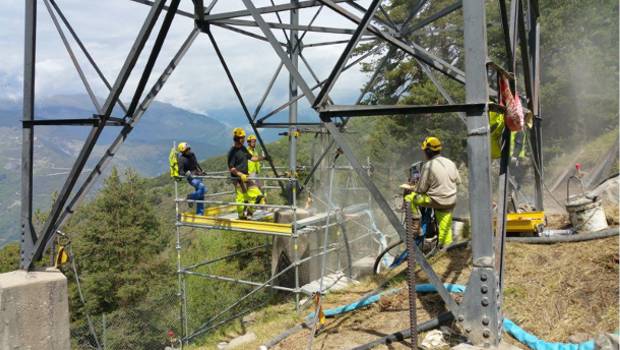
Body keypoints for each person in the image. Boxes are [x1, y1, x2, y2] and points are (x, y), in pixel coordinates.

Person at [404, 136, 461, 248]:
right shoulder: (450, 162)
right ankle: (446, 248)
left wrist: (410, 187)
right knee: (445, 227)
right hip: (450, 200)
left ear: (428, 151)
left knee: (410, 198)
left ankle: (416, 228)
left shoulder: (428, 166)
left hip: (436, 200)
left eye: (424, 151)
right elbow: (458, 181)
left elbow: (421, 189)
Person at [227, 128, 267, 219]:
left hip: (246, 176)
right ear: (237, 138)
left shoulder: (243, 148)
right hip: (237, 179)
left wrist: (263, 158)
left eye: (243, 138)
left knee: (258, 195)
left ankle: (249, 212)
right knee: (241, 198)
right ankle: (241, 216)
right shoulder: (232, 152)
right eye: (242, 138)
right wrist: (240, 174)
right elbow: (231, 168)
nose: (243, 140)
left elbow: (252, 158)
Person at [177, 142, 206, 215]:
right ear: (183, 151)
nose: (189, 150)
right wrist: (187, 174)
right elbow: (180, 172)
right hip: (192, 178)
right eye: (187, 149)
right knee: (203, 188)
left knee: (201, 195)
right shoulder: (181, 159)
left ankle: (200, 214)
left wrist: (201, 170)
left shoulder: (192, 155)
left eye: (189, 148)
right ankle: (190, 197)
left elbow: (196, 163)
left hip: (198, 175)